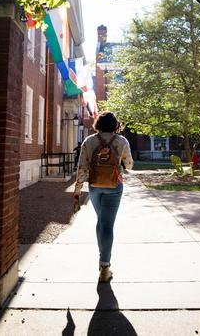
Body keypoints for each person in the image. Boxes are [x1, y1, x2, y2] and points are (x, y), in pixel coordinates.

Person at [73, 111, 134, 282]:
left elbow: (82, 168)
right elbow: (129, 165)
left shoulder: (89, 141)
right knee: (107, 225)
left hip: (94, 187)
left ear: (98, 124)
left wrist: (77, 191)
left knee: (101, 221)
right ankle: (105, 267)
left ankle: (102, 260)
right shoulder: (122, 141)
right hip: (114, 186)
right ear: (116, 125)